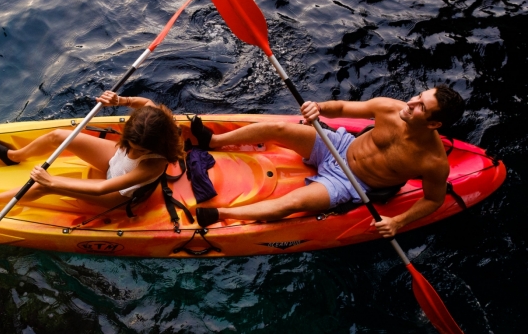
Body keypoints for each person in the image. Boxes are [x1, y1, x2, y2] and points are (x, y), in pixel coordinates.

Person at [193, 85, 465, 238]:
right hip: (339, 146)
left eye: (421, 107)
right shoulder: (390, 108)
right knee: (280, 129)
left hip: (351, 183)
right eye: (419, 95)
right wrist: (319, 107)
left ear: (435, 124)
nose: (411, 102)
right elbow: (344, 108)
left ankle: (220, 214)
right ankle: (213, 142)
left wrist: (398, 222)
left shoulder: (432, 162)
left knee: (294, 203)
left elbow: (433, 200)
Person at [0, 91, 184, 210]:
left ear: (156, 144)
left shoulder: (153, 163)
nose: (136, 151)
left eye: (141, 149)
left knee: (43, 187)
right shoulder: (154, 117)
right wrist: (118, 100)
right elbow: (142, 103)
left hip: (114, 195)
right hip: (114, 162)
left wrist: (51, 181)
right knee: (58, 135)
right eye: (132, 144)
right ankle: (13, 156)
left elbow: (102, 188)